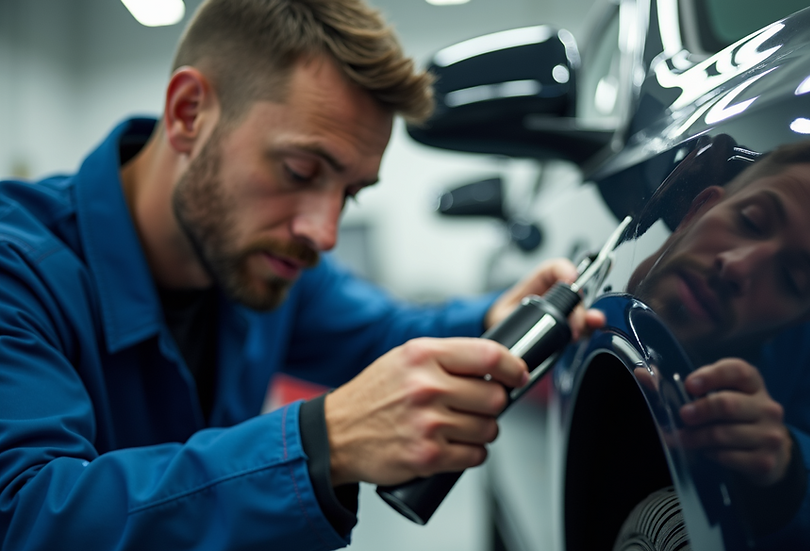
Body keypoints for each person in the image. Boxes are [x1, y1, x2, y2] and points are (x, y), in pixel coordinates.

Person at [0, 1, 603, 549]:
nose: (325, 233)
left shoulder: (265, 263)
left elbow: (385, 333)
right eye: (298, 170)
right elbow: (23, 516)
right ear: (189, 114)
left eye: (349, 194)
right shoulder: (16, 271)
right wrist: (323, 442)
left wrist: (493, 320)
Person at [626, 139, 810, 548]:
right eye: (752, 221)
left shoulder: (802, 350)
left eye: (793, 280)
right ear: (700, 208)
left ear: (803, 319)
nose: (738, 267)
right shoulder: (590, 262)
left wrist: (784, 471)